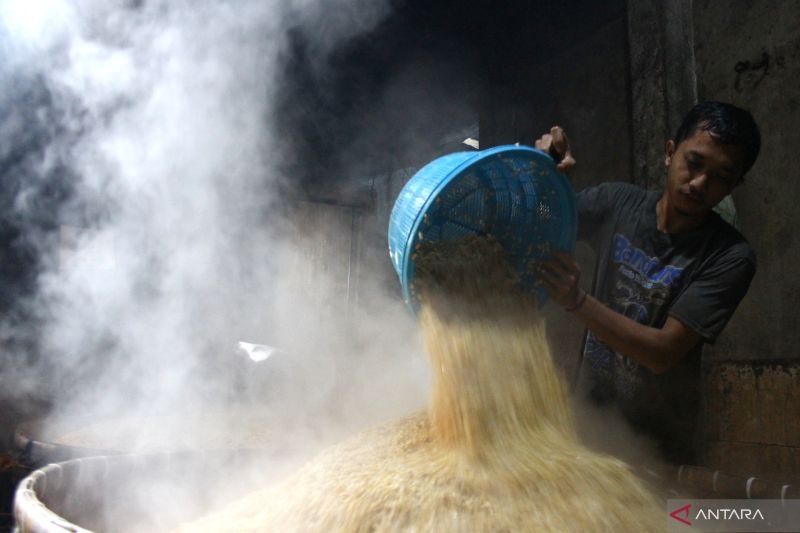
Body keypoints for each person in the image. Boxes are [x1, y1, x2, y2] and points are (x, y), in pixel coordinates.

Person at [535, 101, 761, 464]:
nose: (701, 183)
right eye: (695, 162)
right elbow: (545, 221)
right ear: (670, 153)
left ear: (736, 183)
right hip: (589, 426)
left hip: (657, 452)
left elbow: (662, 353)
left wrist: (577, 301)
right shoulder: (618, 203)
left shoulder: (730, 257)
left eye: (721, 176)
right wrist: (546, 176)